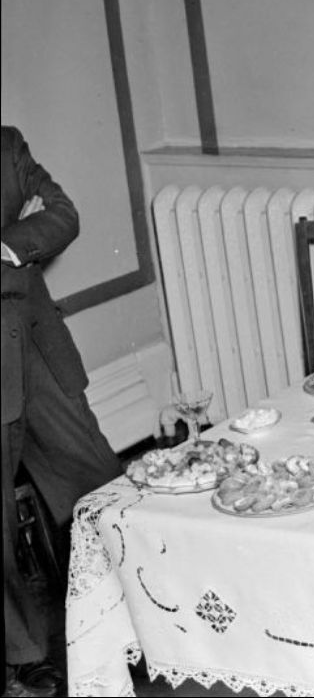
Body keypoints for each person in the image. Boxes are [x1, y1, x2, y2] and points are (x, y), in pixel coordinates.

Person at [2, 125, 124, 695]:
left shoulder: (7, 146)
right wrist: (17, 245)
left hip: (41, 353)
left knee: (99, 484)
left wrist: (7, 243)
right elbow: (39, 228)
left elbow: (62, 215)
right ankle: (23, 655)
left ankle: (138, 617)